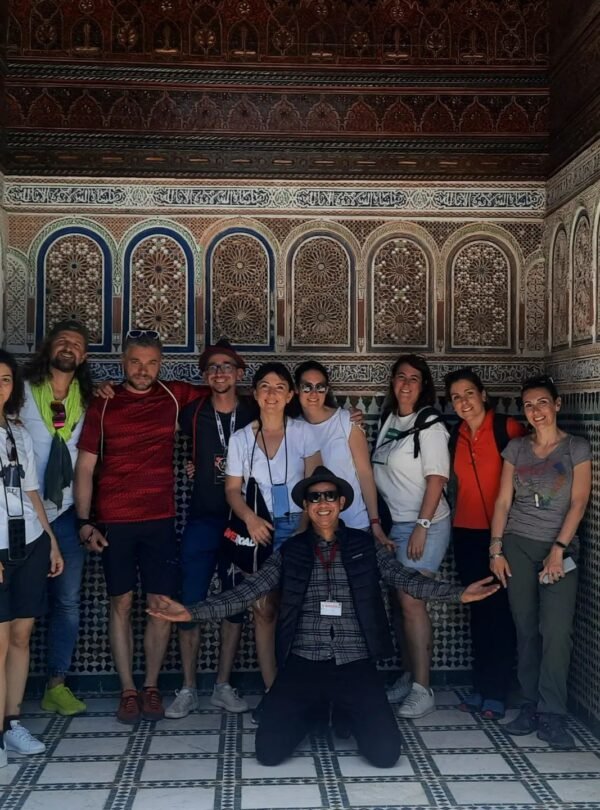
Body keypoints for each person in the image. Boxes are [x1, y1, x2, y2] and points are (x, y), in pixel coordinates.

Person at [148, 466, 500, 767]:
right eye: (314, 498)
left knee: (384, 754)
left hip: (354, 662)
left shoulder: (364, 546)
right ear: (306, 506)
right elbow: (246, 592)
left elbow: (405, 579)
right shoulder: (292, 551)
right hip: (304, 662)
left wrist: (459, 593)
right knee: (269, 752)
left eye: (330, 496)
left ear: (341, 502)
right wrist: (190, 611)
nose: (323, 503)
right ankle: (318, 710)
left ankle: (340, 709)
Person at [74, 330, 204, 724]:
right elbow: (85, 467)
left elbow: (225, 397)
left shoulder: (174, 396)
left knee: (159, 605)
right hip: (114, 520)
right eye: (135, 362)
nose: (143, 370)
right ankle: (128, 690)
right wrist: (84, 522)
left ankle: (150, 687)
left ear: (160, 364)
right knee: (122, 604)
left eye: (151, 363)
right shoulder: (103, 403)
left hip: (160, 518)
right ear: (123, 362)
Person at [490, 375, 591, 749]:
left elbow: (579, 501)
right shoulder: (517, 448)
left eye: (542, 402)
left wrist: (559, 548)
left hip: (558, 551)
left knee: (557, 631)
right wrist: (496, 549)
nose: (536, 411)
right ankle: (529, 705)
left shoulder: (576, 447)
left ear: (557, 404)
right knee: (526, 628)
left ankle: (553, 714)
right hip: (518, 545)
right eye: (529, 405)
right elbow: (503, 501)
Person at [224, 362, 321, 715]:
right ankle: (273, 692)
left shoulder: (303, 433)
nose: (272, 393)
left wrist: (304, 530)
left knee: (299, 609)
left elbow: (315, 485)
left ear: (290, 395)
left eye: (280, 387)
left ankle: (303, 689)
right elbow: (232, 490)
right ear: (255, 393)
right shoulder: (241, 438)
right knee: (263, 610)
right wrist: (249, 519)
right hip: (260, 529)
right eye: (265, 386)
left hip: (298, 526)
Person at [165, 339, 253, 719]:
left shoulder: (253, 410)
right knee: (191, 601)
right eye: (213, 367)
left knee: (235, 603)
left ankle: (222, 686)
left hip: (242, 520)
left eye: (226, 366)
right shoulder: (194, 412)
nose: (219, 373)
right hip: (202, 519)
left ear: (239, 373)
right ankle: (187, 688)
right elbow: (156, 406)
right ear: (205, 375)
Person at [20, 319, 93, 717]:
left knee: (66, 602)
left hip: (65, 514)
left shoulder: (90, 399)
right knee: (22, 606)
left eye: (76, 344)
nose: (69, 347)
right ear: (48, 347)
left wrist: (84, 518)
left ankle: (56, 686)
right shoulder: (21, 392)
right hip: (24, 515)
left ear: (84, 356)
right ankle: (12, 691)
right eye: (62, 341)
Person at [444, 367, 525, 719]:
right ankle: (481, 686)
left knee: (499, 614)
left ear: (483, 395)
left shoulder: (507, 428)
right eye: (456, 397)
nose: (463, 402)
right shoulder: (456, 434)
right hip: (465, 533)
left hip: (501, 535)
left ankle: (497, 691)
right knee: (477, 611)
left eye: (469, 394)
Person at [372, 354, 450, 718]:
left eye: (414, 378)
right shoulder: (390, 419)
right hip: (395, 526)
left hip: (425, 524)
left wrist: (422, 525)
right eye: (400, 377)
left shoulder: (430, 424)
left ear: (424, 386)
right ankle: (408, 675)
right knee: (399, 602)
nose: (405, 384)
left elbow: (436, 479)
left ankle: (423, 688)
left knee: (412, 601)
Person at [0, 350, 64, 768]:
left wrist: (52, 541)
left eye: (6, 379)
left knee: (21, 636)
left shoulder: (17, 431)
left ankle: (12, 721)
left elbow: (31, 491)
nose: (0, 387)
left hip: (30, 541)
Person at [293, 361, 391, 545]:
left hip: (354, 522)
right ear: (297, 389)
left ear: (327, 390)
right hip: (314, 528)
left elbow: (364, 473)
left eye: (320, 387)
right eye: (307, 387)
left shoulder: (346, 420)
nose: (313, 393)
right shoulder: (292, 427)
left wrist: (375, 522)